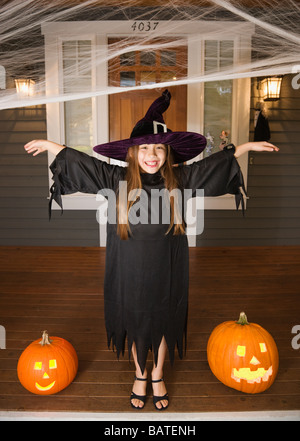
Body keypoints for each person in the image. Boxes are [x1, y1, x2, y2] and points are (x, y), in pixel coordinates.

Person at [24, 90, 279, 411]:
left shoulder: (180, 179)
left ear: (168, 153)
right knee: (134, 321)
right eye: (144, 148)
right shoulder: (115, 178)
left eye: (158, 148)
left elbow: (213, 166)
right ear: (132, 153)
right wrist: (53, 147)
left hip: (167, 268)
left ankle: (157, 374)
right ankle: (140, 374)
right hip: (126, 269)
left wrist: (244, 147)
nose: (152, 155)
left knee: (161, 322)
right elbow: (83, 164)